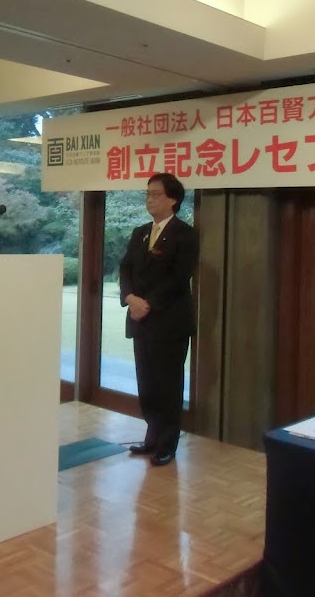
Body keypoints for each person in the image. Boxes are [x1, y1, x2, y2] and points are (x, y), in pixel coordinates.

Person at [119, 173, 198, 467]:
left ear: (172, 199)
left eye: (155, 194)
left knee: (168, 384)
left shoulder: (185, 234)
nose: (149, 199)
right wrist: (130, 298)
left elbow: (179, 277)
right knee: (147, 383)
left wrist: (148, 303)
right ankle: (151, 437)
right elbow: (125, 268)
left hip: (169, 321)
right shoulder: (140, 232)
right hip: (140, 320)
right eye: (148, 194)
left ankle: (166, 444)